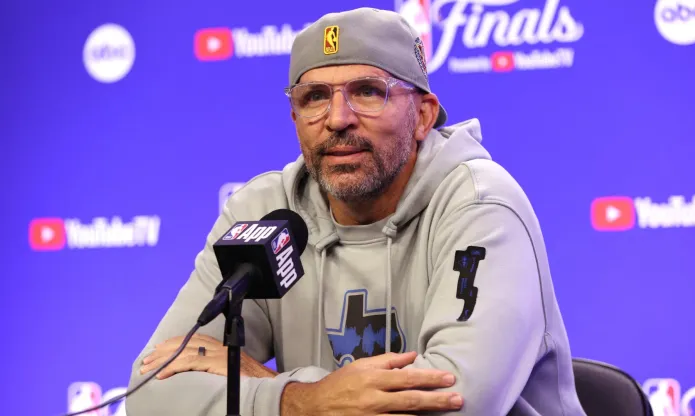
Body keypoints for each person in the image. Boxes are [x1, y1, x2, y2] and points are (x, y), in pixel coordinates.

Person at [126, 7, 587, 416]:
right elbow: (150, 393)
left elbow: (452, 406)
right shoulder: (265, 213)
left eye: (368, 92)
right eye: (314, 97)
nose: (337, 118)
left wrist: (273, 390)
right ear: (295, 118)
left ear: (424, 115)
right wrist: (303, 401)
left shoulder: (479, 205)